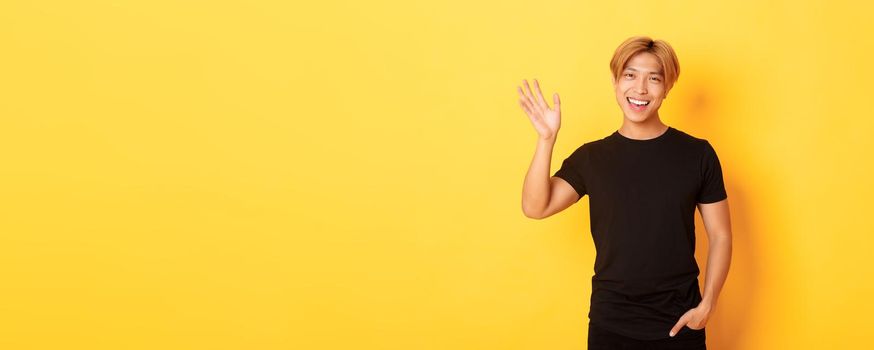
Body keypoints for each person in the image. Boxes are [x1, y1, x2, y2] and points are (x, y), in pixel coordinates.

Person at [518, 36, 732, 350]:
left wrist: (708, 305)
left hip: (680, 323)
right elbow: (536, 206)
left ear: (668, 87)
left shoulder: (697, 154)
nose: (640, 89)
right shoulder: (592, 158)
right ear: (616, 82)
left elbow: (722, 235)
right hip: (611, 325)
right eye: (630, 75)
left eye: (654, 78)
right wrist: (546, 140)